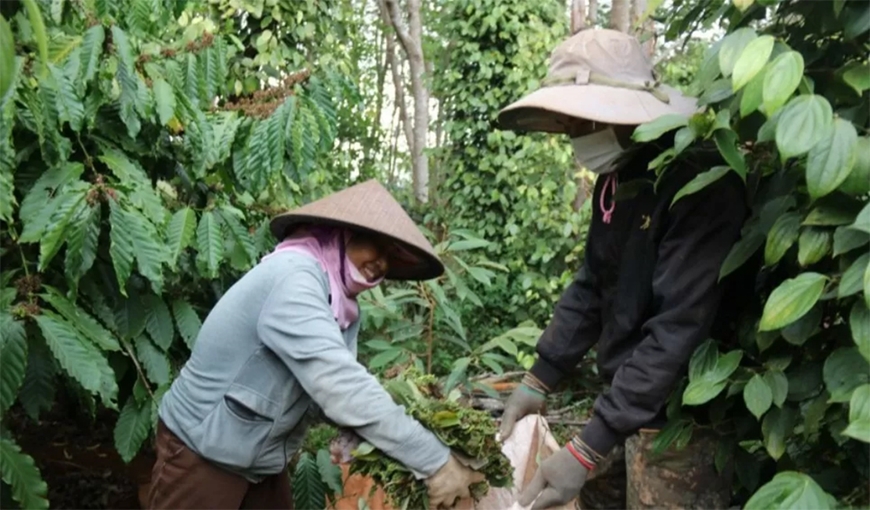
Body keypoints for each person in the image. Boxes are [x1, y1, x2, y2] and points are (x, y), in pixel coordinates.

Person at [494, 29, 749, 510]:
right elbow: (593, 283)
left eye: (580, 122)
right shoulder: (618, 179)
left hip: (681, 423)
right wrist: (540, 377)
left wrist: (588, 446)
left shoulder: (699, 179)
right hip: (623, 401)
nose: (573, 135)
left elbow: (680, 326)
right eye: (567, 123)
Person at [148, 180, 484, 509]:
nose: (380, 263)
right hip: (201, 451)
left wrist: (363, 436)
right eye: (375, 246)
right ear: (342, 234)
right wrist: (434, 460)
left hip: (259, 460)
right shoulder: (294, 278)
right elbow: (339, 385)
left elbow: (324, 393)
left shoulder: (343, 308)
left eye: (389, 258)